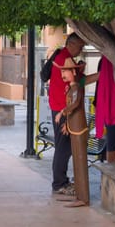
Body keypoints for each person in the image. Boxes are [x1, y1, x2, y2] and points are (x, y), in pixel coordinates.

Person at [48, 33, 90, 195]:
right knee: (64, 147)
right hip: (62, 107)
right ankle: (59, 183)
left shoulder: (63, 57)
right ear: (71, 44)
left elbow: (76, 81)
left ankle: (61, 181)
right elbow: (75, 84)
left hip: (60, 107)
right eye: (80, 46)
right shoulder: (65, 59)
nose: (81, 49)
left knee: (63, 147)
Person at [53, 57, 90, 207]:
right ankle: (79, 195)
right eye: (61, 70)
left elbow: (74, 104)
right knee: (76, 163)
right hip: (74, 128)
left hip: (79, 129)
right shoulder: (71, 87)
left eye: (65, 71)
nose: (62, 74)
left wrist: (61, 112)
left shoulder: (76, 88)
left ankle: (84, 198)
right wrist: (67, 124)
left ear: (73, 72)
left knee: (80, 163)